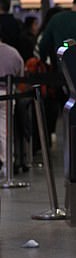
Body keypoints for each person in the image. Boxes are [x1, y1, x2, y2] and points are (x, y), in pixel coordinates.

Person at [0, 33, 24, 177]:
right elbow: (20, 74)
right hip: (7, 93)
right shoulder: (12, 52)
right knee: (5, 132)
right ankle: (7, 164)